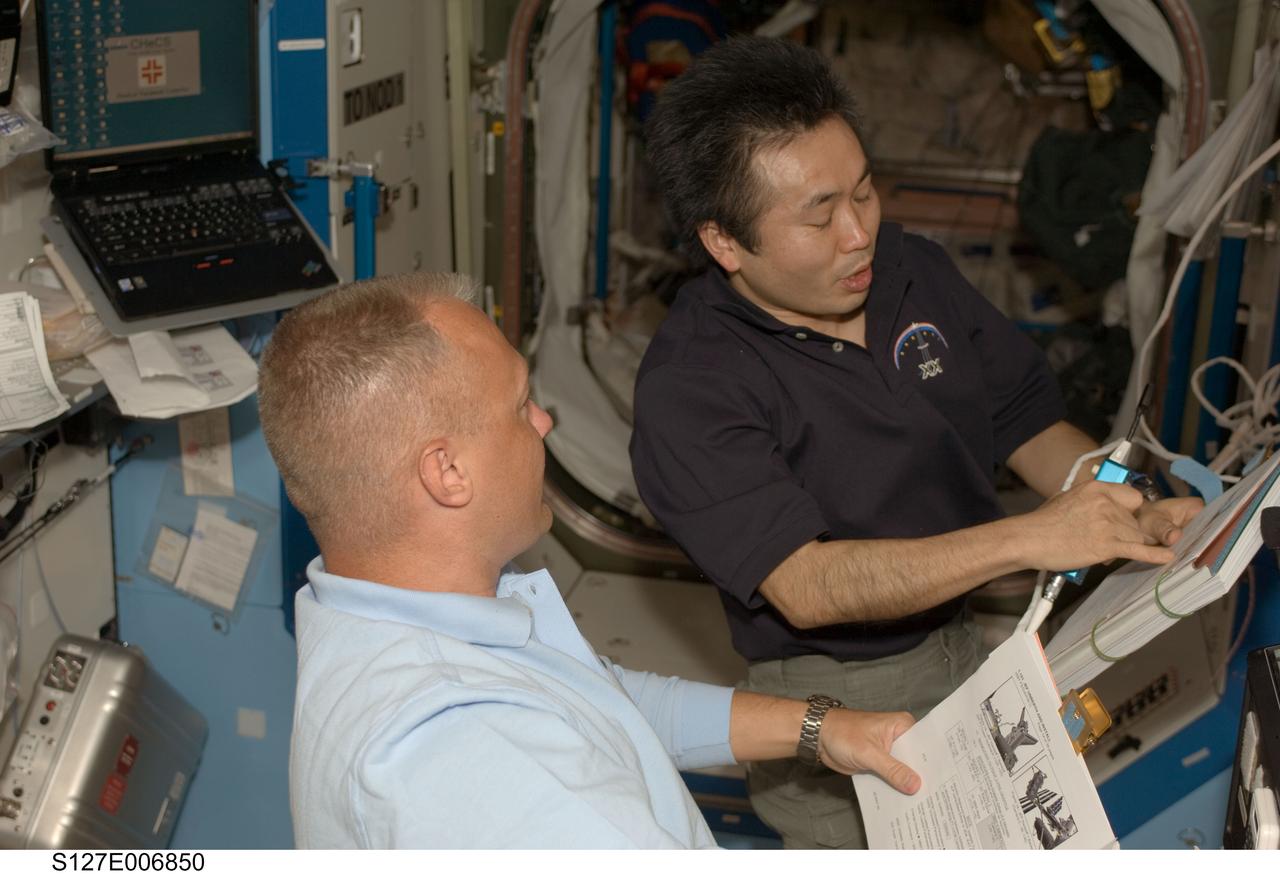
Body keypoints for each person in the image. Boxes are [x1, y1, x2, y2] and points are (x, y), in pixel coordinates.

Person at [629, 36, 1202, 849]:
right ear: (724, 242)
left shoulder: (914, 272)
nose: (858, 233)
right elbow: (809, 586)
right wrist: (1035, 537)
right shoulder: (692, 384)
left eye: (864, 193)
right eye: (818, 215)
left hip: (962, 636)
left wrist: (1126, 507)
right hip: (833, 691)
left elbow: (1030, 428)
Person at [257, 271, 924, 849]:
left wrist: (819, 727)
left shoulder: (395, 610)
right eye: (520, 405)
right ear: (447, 472)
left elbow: (605, 705)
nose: (544, 422)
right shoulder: (463, 749)